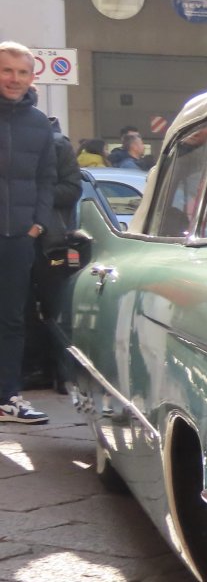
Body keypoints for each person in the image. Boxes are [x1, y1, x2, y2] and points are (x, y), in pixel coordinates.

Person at [0, 42, 55, 423]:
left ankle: (7, 397)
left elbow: (47, 178)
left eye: (22, 72)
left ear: (32, 77)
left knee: (12, 320)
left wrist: (37, 224)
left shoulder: (39, 123)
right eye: (7, 70)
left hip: (19, 237)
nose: (14, 79)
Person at [23, 118, 81, 393]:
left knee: (54, 306)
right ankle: (35, 369)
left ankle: (62, 370)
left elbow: (72, 189)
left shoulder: (58, 145)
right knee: (21, 308)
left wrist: (32, 193)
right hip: (17, 237)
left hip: (51, 241)